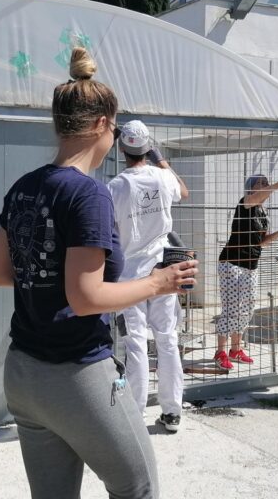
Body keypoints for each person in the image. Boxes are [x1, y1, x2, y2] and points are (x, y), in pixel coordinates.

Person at [0, 47, 198, 499]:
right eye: (114, 128)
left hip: (22, 372)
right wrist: (159, 282)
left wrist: (49, 273)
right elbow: (86, 298)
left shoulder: (24, 187)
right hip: (75, 372)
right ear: (103, 123)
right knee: (138, 487)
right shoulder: (88, 194)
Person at [107, 120, 189, 433]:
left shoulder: (115, 187)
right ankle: (172, 412)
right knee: (167, 339)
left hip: (130, 275)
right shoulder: (162, 176)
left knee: (136, 343)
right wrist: (161, 160)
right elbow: (183, 191)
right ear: (148, 148)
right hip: (164, 270)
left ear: (121, 149)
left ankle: (136, 413)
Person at [213, 174, 278, 370]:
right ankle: (220, 352)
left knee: (247, 308)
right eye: (261, 183)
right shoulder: (246, 203)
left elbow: (261, 242)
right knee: (231, 309)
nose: (266, 185)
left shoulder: (263, 213)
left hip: (251, 265)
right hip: (232, 262)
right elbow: (256, 198)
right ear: (251, 189)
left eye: (267, 183)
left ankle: (236, 349)